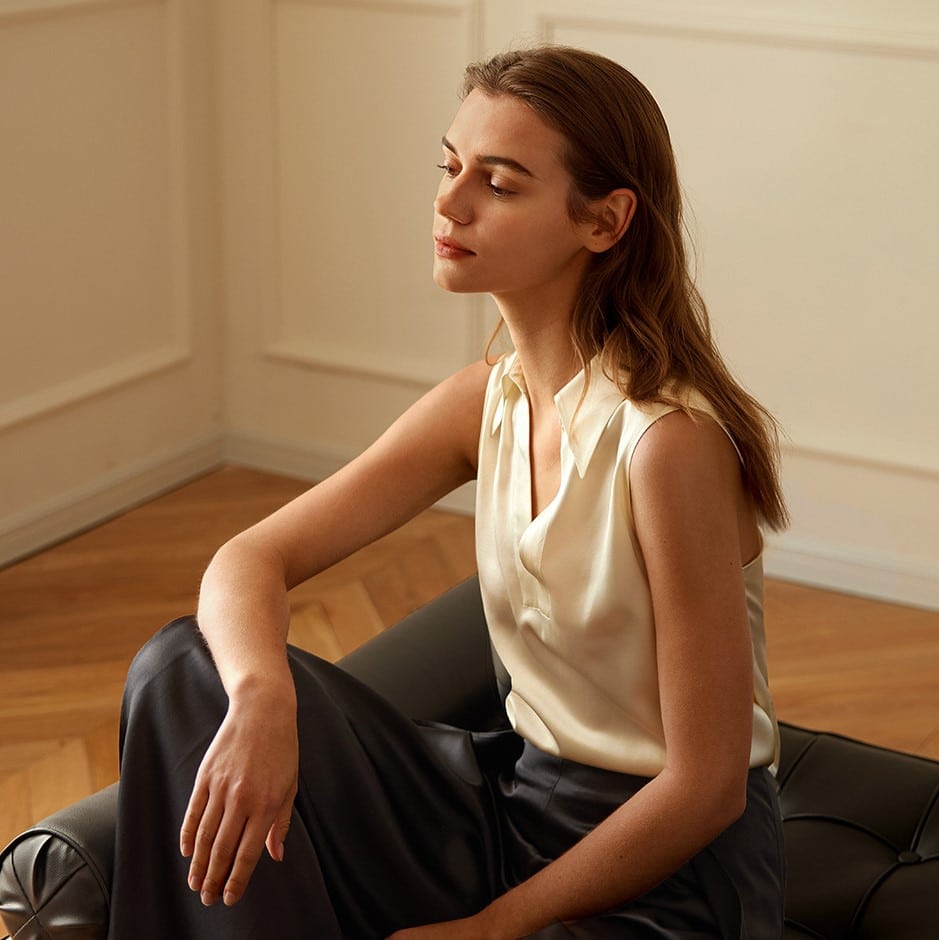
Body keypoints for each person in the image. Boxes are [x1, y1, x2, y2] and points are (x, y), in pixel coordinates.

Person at [109, 45, 788, 939]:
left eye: (499, 185)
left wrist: (490, 928)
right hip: (512, 807)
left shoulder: (669, 445)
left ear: (606, 221)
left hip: (671, 872)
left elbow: (704, 790)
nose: (449, 202)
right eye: (450, 165)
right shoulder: (488, 399)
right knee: (180, 669)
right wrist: (260, 698)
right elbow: (251, 558)